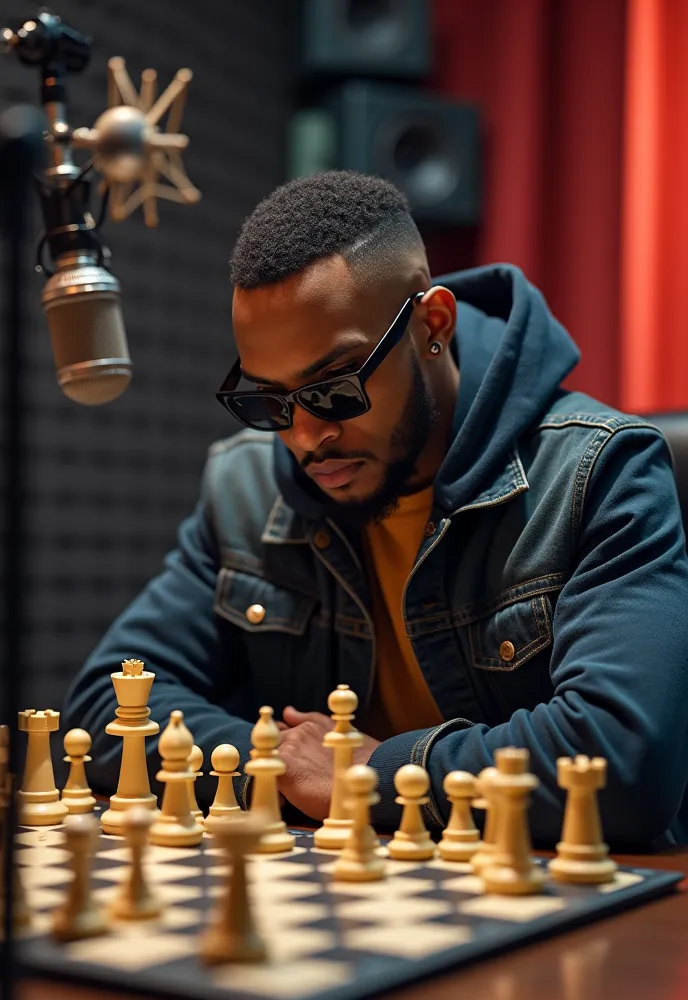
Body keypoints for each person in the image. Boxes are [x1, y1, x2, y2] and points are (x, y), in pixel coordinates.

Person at [63, 170, 688, 848]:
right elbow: (106, 701)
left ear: (433, 325)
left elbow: (623, 764)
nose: (305, 436)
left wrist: (371, 774)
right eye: (268, 401)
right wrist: (283, 767)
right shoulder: (245, 485)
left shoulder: (599, 472)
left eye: (334, 388)